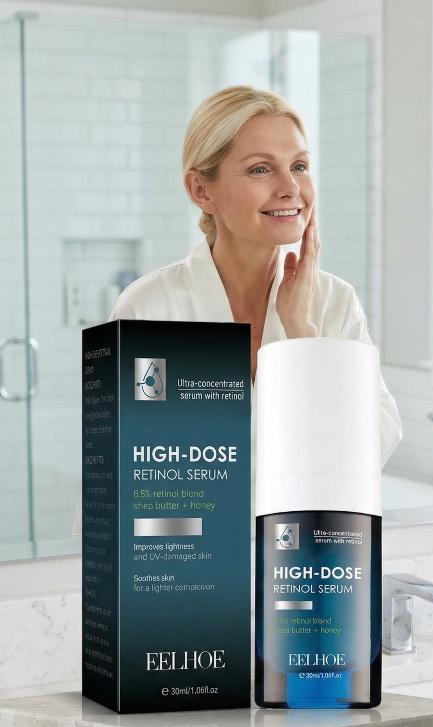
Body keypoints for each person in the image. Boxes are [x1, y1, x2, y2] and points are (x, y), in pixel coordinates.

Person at [73, 86, 401, 537]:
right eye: (260, 169)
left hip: (301, 557)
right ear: (201, 190)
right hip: (185, 562)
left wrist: (304, 337)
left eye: (300, 166)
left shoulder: (334, 302)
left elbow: (371, 447)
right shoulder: (150, 308)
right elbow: (112, 483)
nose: (290, 188)